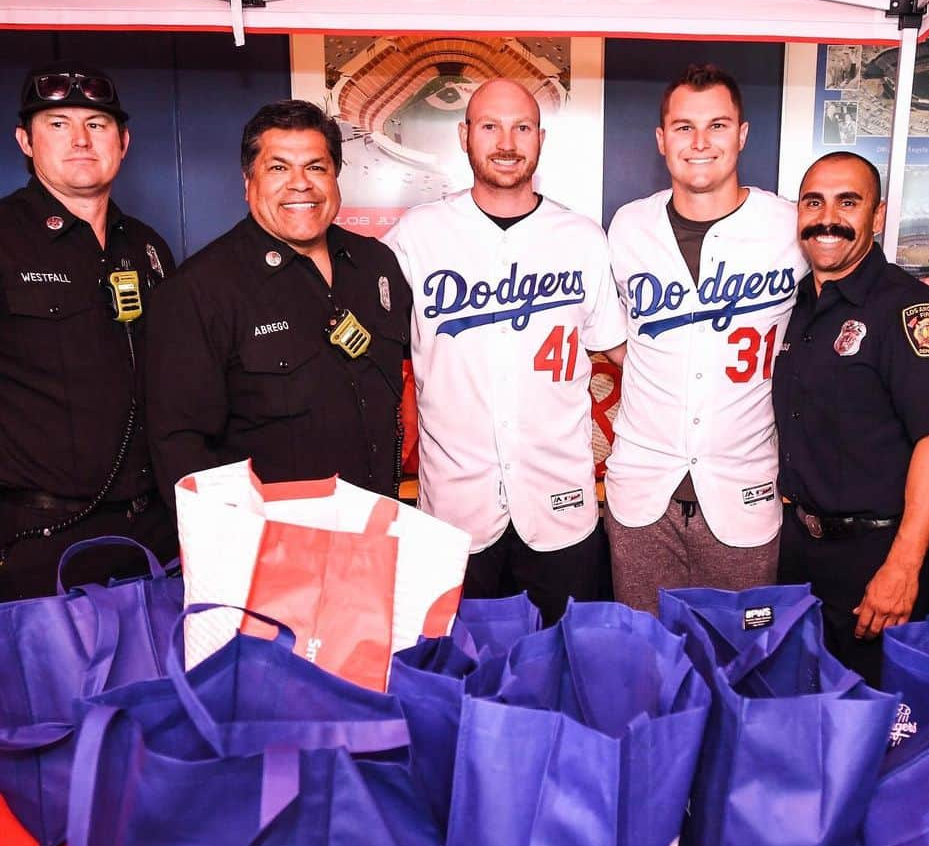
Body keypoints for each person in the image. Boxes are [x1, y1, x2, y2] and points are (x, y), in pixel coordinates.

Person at [384, 78, 625, 626]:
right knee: (458, 684)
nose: (507, 142)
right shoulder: (416, 236)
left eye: (521, 127)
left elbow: (624, 354)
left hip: (561, 507)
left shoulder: (583, 238)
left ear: (540, 138)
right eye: (490, 126)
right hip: (454, 511)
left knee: (566, 672)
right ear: (464, 135)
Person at [604, 64, 805, 613]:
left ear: (742, 135)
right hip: (643, 491)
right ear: (661, 139)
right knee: (644, 662)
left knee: (741, 663)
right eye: (684, 126)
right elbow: (618, 338)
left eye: (717, 125)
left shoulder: (788, 227)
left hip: (744, 487)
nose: (699, 142)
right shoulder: (628, 226)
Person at [146, 100, 410, 504]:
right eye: (278, 167)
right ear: (247, 181)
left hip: (378, 531)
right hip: (273, 551)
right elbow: (181, 447)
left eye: (316, 167)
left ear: (336, 176)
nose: (300, 183)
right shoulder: (200, 289)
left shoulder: (377, 264)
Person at [772, 151, 929, 686]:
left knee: (880, 733)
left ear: (877, 217)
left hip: (879, 558)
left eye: (848, 202)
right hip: (803, 554)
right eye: (814, 202)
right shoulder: (802, 307)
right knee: (807, 714)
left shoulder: (910, 312)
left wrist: (902, 566)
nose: (827, 217)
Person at [0, 60, 176, 599]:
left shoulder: (148, 247)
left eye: (96, 125)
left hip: (151, 535)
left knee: (155, 683)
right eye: (58, 124)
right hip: (39, 539)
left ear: (122, 142)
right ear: (25, 141)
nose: (80, 139)